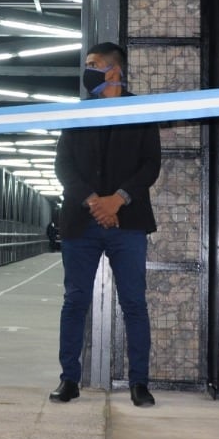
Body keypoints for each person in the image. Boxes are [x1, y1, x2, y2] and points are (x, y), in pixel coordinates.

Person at [51, 42, 161, 408]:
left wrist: (118, 199)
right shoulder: (77, 115)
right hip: (81, 223)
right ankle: (69, 379)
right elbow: (63, 167)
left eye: (94, 64)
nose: (88, 70)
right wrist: (95, 202)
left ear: (113, 71)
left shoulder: (141, 111)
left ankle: (139, 383)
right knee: (74, 301)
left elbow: (150, 165)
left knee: (134, 303)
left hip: (128, 222)